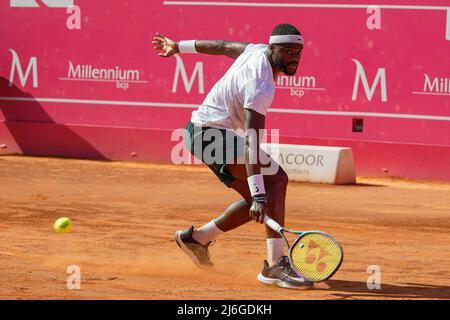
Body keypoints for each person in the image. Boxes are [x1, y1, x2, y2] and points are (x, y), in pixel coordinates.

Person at [152, 24, 311, 288]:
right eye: (288, 51)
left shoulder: (256, 50)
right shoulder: (260, 87)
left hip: (201, 132)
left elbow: (222, 46)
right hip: (209, 135)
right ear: (272, 48)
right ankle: (274, 266)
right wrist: (261, 194)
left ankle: (197, 239)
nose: (294, 56)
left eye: (298, 51)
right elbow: (251, 141)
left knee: (262, 195)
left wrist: (179, 46)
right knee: (276, 182)